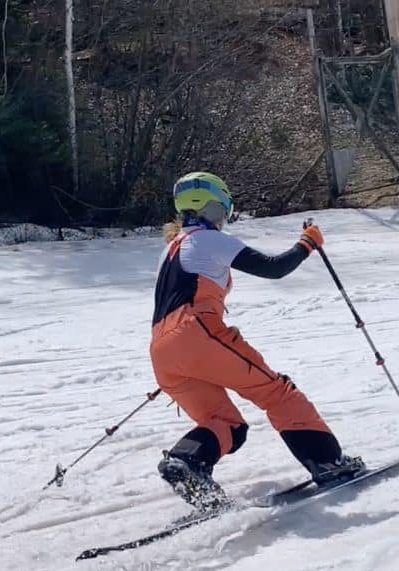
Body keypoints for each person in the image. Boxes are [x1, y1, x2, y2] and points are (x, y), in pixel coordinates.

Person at [150, 171, 364, 511]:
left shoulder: (172, 248)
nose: (224, 217)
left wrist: (185, 353)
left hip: (164, 350)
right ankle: (328, 463)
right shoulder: (208, 239)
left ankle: (186, 462)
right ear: (210, 207)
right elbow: (274, 268)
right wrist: (307, 243)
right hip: (197, 334)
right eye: (223, 208)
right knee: (277, 393)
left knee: (226, 424)